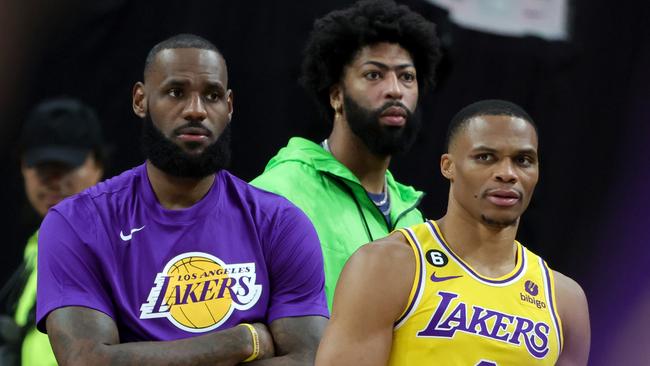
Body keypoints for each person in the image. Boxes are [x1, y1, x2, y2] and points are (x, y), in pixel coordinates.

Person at [36, 34, 328, 365]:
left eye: (212, 95)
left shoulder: (279, 223)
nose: (195, 110)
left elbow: (308, 359)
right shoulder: (78, 223)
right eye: (176, 93)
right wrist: (242, 341)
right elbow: (87, 361)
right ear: (140, 100)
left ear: (229, 107)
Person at [315, 100, 591, 365]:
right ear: (448, 166)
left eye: (523, 160)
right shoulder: (386, 266)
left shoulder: (564, 301)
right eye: (485, 157)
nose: (507, 173)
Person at [251, 0, 442, 307]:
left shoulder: (412, 216)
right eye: (374, 75)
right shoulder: (277, 194)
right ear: (337, 95)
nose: (395, 90)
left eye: (406, 76)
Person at [0, 97, 105, 366]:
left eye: (66, 167)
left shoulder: (119, 244)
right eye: (41, 168)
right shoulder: (36, 245)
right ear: (23, 166)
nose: (53, 182)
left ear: (97, 165)